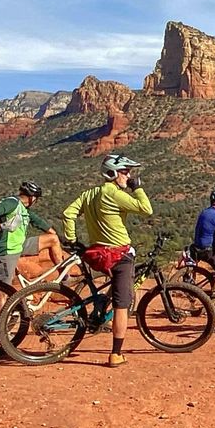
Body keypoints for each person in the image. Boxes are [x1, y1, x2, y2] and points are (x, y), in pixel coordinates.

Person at [62, 154, 153, 368]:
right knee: (123, 304)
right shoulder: (113, 193)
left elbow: (68, 214)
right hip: (119, 256)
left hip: (96, 255)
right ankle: (115, 354)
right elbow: (147, 209)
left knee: (113, 291)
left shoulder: (89, 194)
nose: (128, 176)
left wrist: (73, 239)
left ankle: (100, 308)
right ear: (112, 173)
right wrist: (137, 188)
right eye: (124, 172)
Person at [0, 181, 64, 291]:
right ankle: (3, 309)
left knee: (53, 239)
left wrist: (59, 237)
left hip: (19, 245)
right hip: (6, 250)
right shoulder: (12, 203)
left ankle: (64, 276)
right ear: (32, 198)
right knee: (4, 290)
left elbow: (37, 221)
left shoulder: (23, 208)